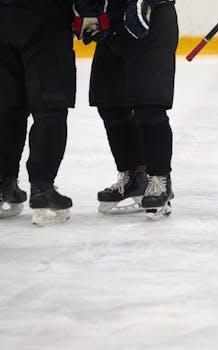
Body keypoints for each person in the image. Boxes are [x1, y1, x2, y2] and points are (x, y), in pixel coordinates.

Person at [74, 0, 178, 220]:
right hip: (112, 22)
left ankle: (160, 178)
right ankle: (133, 176)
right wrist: (86, 10)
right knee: (110, 105)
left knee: (148, 105)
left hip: (151, 16)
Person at [0, 0, 75, 225]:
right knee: (50, 108)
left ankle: (5, 183)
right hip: (46, 16)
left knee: (6, 105)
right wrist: (90, 10)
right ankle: (42, 189)